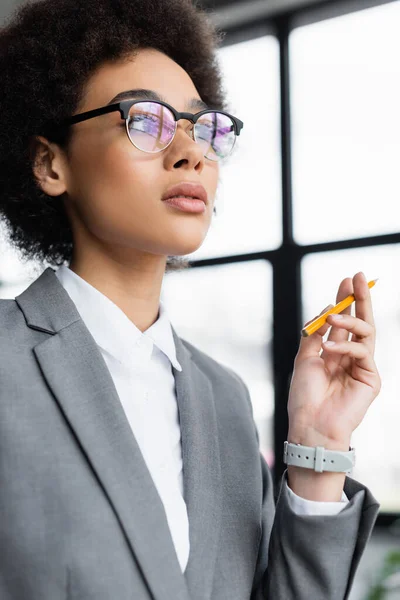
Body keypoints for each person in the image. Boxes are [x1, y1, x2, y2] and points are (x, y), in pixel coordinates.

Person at [0, 0, 381, 598]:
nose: (192, 152)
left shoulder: (224, 399)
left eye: (202, 126)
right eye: (146, 121)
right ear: (51, 164)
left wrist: (318, 448)